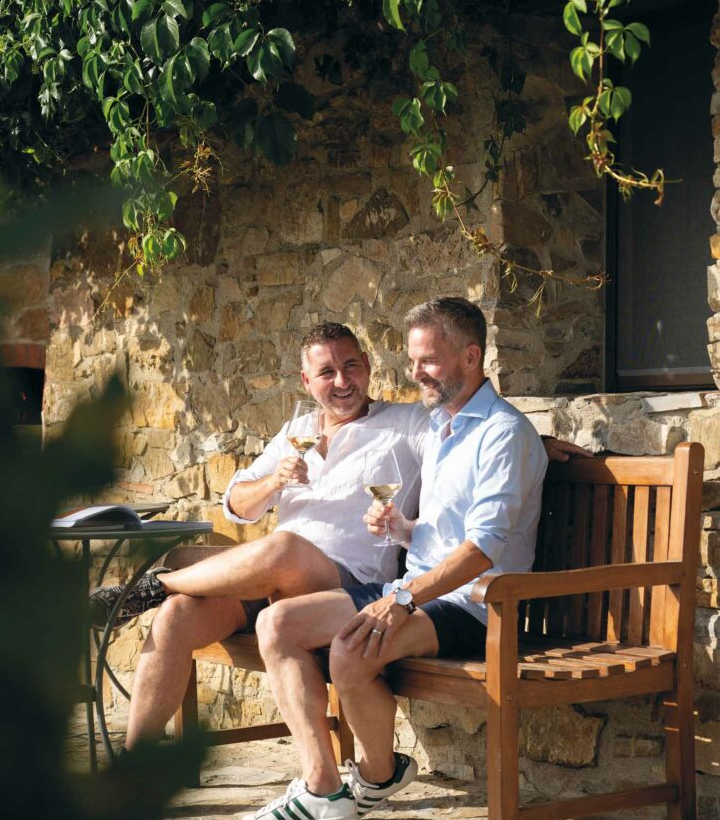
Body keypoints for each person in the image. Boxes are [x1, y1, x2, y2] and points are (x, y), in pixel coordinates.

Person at [90, 321, 586, 755]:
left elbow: (466, 434)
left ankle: (157, 585)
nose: (343, 381)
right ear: (307, 382)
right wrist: (275, 482)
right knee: (180, 616)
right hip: (271, 582)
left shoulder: (405, 423)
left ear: (367, 366)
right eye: (327, 372)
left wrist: (537, 442)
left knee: (283, 548)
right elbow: (236, 503)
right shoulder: (296, 431)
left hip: (346, 582)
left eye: (352, 367)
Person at [241, 298, 548, 820]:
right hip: (416, 589)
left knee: (349, 648)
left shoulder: (502, 434)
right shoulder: (444, 427)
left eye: (427, 360)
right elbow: (445, 531)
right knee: (277, 623)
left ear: (471, 356)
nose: (414, 373)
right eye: (412, 360)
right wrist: (402, 531)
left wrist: (403, 599)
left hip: (477, 607)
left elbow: (483, 548)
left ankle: (362, 782)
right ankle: (343, 784)